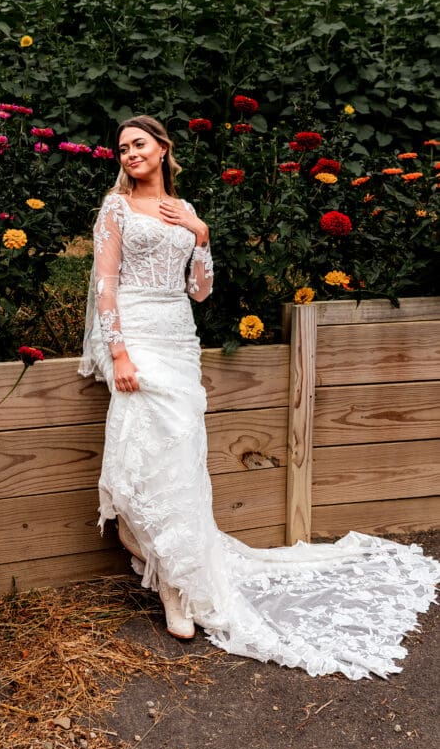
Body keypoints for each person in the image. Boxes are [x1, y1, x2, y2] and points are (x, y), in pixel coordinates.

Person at [79, 114, 439, 679]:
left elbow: (200, 291)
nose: (129, 154)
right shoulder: (115, 208)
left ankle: (179, 576)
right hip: (139, 339)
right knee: (140, 457)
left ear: (163, 148)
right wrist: (118, 352)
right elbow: (104, 283)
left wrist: (201, 236)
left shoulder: (186, 209)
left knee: (180, 456)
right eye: (122, 148)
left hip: (179, 338)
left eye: (139, 144)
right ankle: (168, 574)